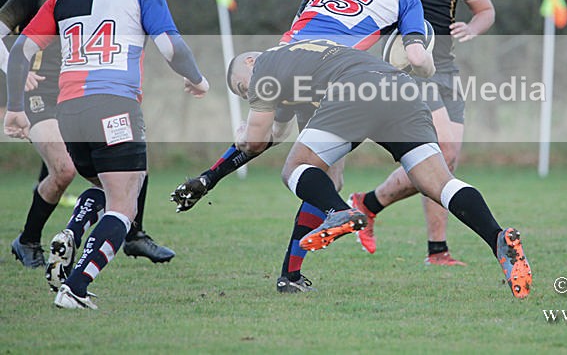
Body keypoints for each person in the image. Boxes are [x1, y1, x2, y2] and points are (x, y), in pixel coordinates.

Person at [178, 0, 435, 293]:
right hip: (332, 75)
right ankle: (300, 260)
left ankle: (212, 178)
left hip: (292, 60)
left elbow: (304, 15)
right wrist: (425, 64)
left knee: (286, 149)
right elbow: (413, 53)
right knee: (324, 176)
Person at [172, 40, 532, 299]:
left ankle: (341, 212)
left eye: (242, 88)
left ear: (251, 62)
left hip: (356, 90)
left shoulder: (266, 67)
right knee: (437, 182)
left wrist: (234, 145)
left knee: (295, 169)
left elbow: (253, 140)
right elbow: (273, 135)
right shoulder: (296, 62)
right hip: (400, 89)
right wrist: (210, 177)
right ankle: (499, 239)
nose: (247, 95)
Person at [4, 0, 209, 309]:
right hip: (113, 106)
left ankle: (72, 230)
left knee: (104, 186)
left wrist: (15, 108)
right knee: (124, 206)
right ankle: (76, 287)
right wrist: (198, 80)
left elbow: (20, 52)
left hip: (69, 112)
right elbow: (171, 47)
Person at [350, 0, 496, 266]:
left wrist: (473, 28)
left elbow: (485, 10)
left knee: (447, 161)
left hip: (445, 68)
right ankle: (373, 208)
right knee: (441, 152)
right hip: (407, 69)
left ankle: (388, 217)